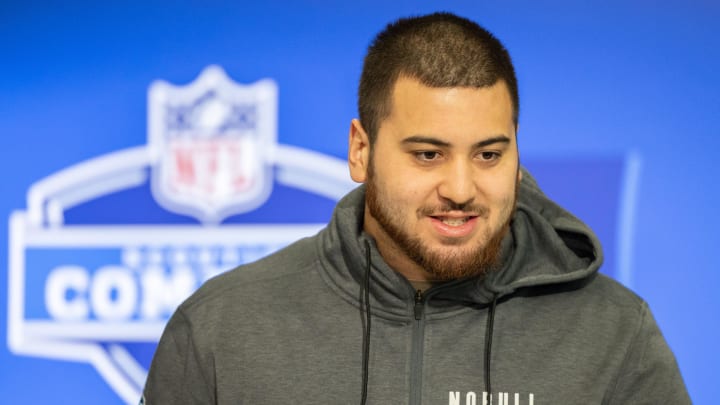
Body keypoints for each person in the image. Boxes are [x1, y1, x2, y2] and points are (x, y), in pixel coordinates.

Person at [142, 12, 690, 404]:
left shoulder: (613, 333)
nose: (460, 187)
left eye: (488, 154)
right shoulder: (222, 328)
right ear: (361, 150)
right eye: (428, 154)